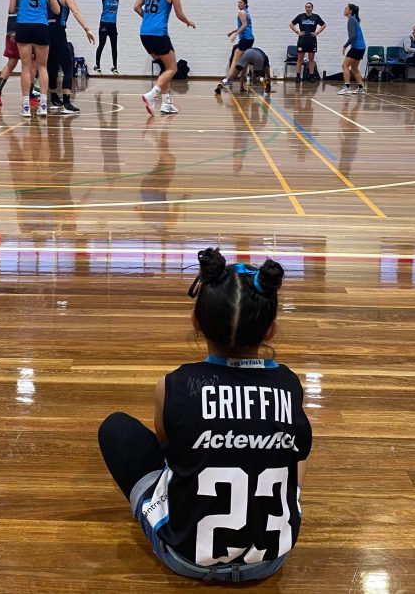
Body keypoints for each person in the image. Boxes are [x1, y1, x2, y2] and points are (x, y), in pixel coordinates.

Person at [98, 247, 312, 582]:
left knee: (116, 429)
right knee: (294, 445)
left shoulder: (172, 385)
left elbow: (170, 452)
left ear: (196, 322)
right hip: (270, 560)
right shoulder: (289, 384)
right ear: (270, 330)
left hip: (185, 557)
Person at [135, 0, 196, 116]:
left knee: (164, 68)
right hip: (158, 34)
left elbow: (136, 6)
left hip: (144, 34)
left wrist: (148, 19)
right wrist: (188, 21)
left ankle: (166, 104)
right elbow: (179, 14)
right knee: (172, 68)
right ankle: (151, 95)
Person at [8, 0, 59, 118]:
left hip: (23, 26)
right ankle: (43, 105)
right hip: (41, 27)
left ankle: (26, 107)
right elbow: (57, 10)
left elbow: (11, 9)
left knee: (25, 67)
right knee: (42, 67)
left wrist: (23, 7)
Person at [48, 0, 95, 115]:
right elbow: (76, 12)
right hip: (58, 32)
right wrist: (87, 29)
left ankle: (54, 99)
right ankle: (67, 103)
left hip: (45, 31)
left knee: (52, 66)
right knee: (68, 66)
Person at [290, 3, 325, 82]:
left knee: (311, 59)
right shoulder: (300, 16)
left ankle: (311, 76)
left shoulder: (316, 17)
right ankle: (298, 76)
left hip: (312, 41)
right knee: (300, 59)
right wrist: (297, 32)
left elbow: (324, 25)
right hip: (302, 41)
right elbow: (291, 24)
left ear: (312, 8)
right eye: (306, 7)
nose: (307, 8)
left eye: (309, 7)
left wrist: (317, 32)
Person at [94, 0, 120, 75]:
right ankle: (97, 66)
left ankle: (115, 67)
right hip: (104, 23)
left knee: (114, 46)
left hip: (113, 25)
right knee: (102, 44)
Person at [338, 3, 367, 95]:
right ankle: (361, 87)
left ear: (350, 11)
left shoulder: (351, 19)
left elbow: (353, 36)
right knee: (354, 67)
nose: (344, 9)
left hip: (357, 47)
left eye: (346, 8)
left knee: (345, 66)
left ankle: (347, 87)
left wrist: (345, 45)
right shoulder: (354, 19)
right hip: (361, 47)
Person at [226, 0, 254, 75]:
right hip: (249, 39)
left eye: (241, 2)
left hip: (246, 38)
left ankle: (229, 78)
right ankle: (254, 74)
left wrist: (236, 34)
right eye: (238, 2)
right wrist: (232, 32)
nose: (239, 4)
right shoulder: (246, 12)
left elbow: (244, 25)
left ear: (245, 4)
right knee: (240, 54)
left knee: (235, 59)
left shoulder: (241, 12)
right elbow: (243, 25)